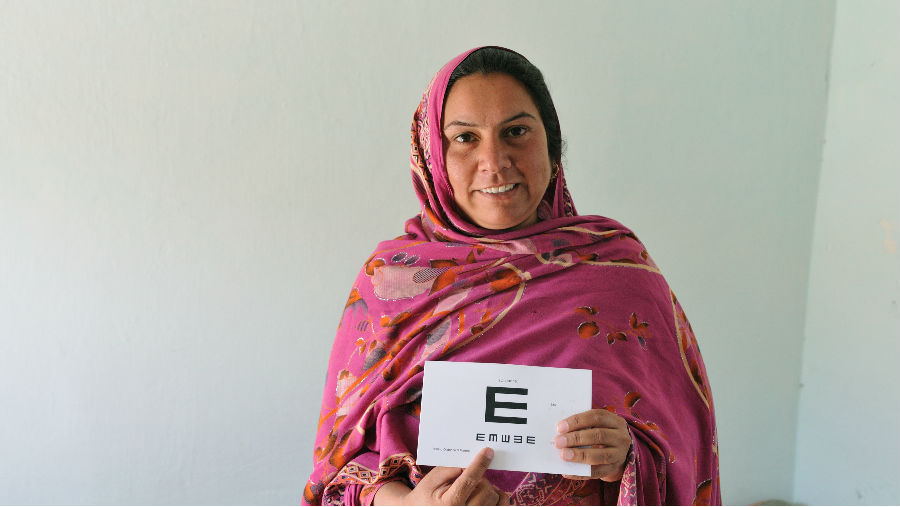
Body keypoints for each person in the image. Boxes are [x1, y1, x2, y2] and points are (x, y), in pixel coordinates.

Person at [303, 47, 720, 506]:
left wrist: (629, 456)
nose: (495, 160)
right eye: (465, 138)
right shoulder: (391, 284)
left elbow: (683, 442)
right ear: (433, 155)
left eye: (516, 131)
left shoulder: (621, 276)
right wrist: (404, 503)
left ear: (552, 144)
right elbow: (339, 469)